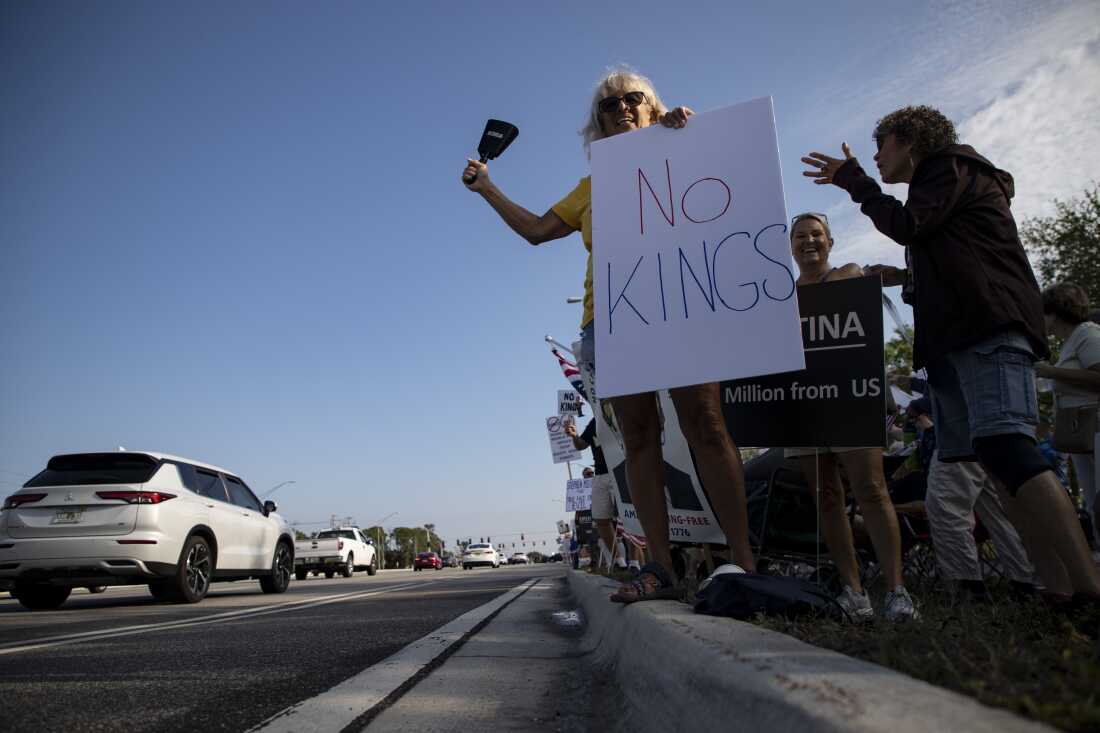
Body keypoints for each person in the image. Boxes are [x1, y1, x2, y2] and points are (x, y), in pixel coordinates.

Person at [463, 67, 756, 603]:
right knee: (639, 439)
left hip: (685, 309)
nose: (621, 107)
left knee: (707, 425)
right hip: (613, 319)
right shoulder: (592, 186)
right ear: (596, 124)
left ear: (652, 106)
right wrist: (487, 188)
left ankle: (743, 564)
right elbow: (534, 231)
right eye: (608, 104)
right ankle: (660, 570)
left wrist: (687, 134)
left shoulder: (686, 149)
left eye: (633, 98)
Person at [805, 105, 1100, 602]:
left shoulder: (950, 168)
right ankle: (1055, 586)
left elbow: (907, 225)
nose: (876, 156)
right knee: (994, 459)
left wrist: (854, 180)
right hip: (956, 340)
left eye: (882, 146)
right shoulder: (943, 187)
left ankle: (1087, 584)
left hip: (987, 329)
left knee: (1009, 447)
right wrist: (904, 277)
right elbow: (950, 251)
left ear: (910, 141)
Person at [785, 212, 917, 621]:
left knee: (871, 489)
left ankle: (897, 591)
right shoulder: (781, 294)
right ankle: (854, 591)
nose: (809, 241)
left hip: (850, 397)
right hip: (803, 404)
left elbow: (854, 276)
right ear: (790, 247)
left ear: (829, 241)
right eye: (800, 236)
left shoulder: (845, 273)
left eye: (816, 234)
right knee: (826, 497)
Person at [1036, 282, 1100, 554]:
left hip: (1096, 424)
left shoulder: (1088, 334)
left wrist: (1051, 373)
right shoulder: (1068, 344)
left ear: (1054, 312)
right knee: (1093, 497)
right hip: (1081, 432)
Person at [567, 418, 625, 570]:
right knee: (600, 519)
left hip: (622, 469)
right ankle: (620, 561)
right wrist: (574, 435)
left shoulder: (618, 414)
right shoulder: (594, 422)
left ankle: (636, 563)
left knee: (629, 518)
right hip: (601, 475)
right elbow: (581, 445)